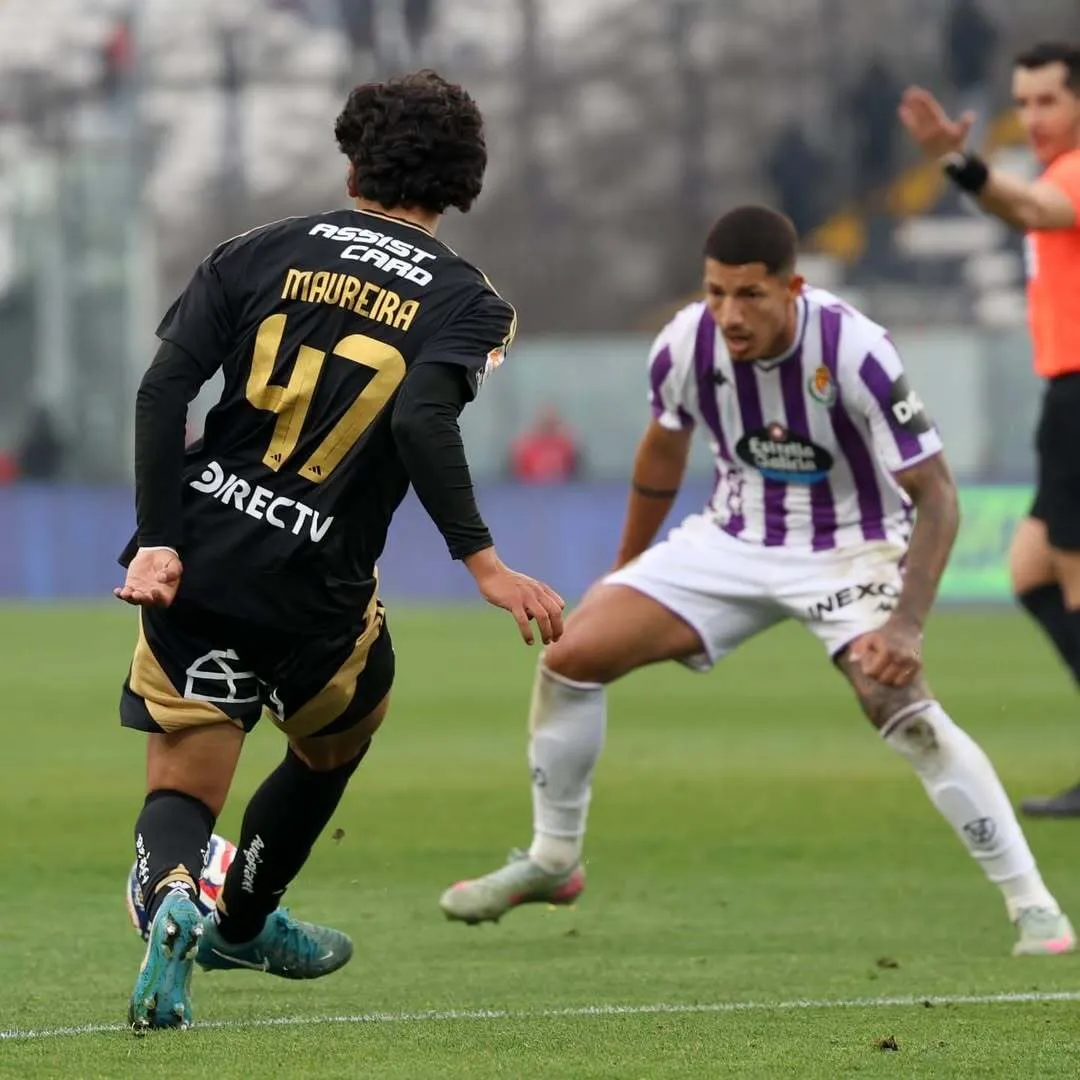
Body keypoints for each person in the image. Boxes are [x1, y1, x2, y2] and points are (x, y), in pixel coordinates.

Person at [439, 205, 1074, 958]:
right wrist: (628, 570)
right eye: (715, 293)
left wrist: (905, 624)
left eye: (749, 296)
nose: (729, 315)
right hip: (734, 539)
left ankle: (1033, 904)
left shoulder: (856, 350)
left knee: (898, 704)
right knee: (571, 656)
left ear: (792, 288)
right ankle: (552, 859)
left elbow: (936, 493)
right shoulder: (685, 343)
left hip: (850, 548)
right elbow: (662, 454)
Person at [115, 69, 565, 1032]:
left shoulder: (257, 251)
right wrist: (481, 561)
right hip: (321, 584)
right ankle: (245, 918)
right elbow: (419, 419)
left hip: (202, 553)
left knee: (184, 785)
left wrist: (156, 541)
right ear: (462, 180)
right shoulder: (469, 301)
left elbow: (163, 394)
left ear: (351, 154)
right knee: (334, 742)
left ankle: (177, 903)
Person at [899, 44, 1080, 817]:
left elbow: (1037, 210)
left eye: (1048, 101)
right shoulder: (1050, 175)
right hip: (1063, 396)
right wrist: (959, 167)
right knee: (1032, 571)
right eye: (1024, 102)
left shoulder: (1073, 174)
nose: (1033, 118)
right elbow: (1023, 207)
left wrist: (963, 165)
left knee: (1071, 581)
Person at [510, 406, 581, 484]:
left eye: (551, 422)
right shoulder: (527, 446)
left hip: (561, 489)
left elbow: (573, 471)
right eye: (545, 422)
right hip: (531, 489)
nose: (548, 426)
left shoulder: (565, 445)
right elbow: (519, 474)